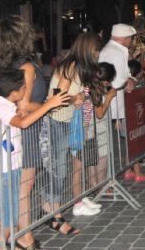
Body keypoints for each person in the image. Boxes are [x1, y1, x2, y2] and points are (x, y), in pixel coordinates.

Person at [0, 15, 52, 249]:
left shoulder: (5, 66)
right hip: (25, 131)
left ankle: (6, 237)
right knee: (24, 185)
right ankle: (23, 236)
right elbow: (22, 107)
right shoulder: (26, 67)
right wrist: (52, 103)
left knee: (10, 190)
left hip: (10, 133)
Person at [0, 69, 70, 246]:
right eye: (24, 87)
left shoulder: (6, 105)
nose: (27, 91)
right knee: (9, 217)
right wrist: (49, 104)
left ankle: (0, 245)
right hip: (4, 169)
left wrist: (20, 113)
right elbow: (23, 124)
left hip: (8, 166)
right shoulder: (2, 107)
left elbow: (17, 119)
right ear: (15, 92)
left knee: (1, 213)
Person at [43, 32, 101, 231]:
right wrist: (76, 97)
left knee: (63, 168)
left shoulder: (81, 68)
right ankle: (53, 212)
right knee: (58, 169)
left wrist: (80, 97)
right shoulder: (71, 67)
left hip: (69, 123)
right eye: (96, 50)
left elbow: (79, 96)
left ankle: (52, 208)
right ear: (87, 49)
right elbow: (56, 100)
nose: (98, 54)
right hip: (58, 123)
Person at [99, 24, 145, 182]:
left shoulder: (115, 50)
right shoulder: (114, 52)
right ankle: (133, 172)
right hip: (115, 102)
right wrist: (128, 82)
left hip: (118, 101)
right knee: (130, 136)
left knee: (129, 136)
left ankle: (131, 169)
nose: (132, 41)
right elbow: (116, 79)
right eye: (130, 38)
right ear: (123, 38)